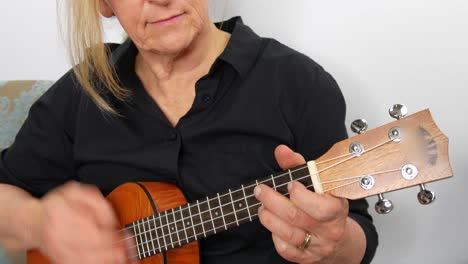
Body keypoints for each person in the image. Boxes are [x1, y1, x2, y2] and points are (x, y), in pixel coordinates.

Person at [0, 0, 378, 263]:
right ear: (105, 3)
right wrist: (40, 222)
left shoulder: (298, 84)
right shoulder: (83, 92)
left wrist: (336, 243)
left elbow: (355, 230)